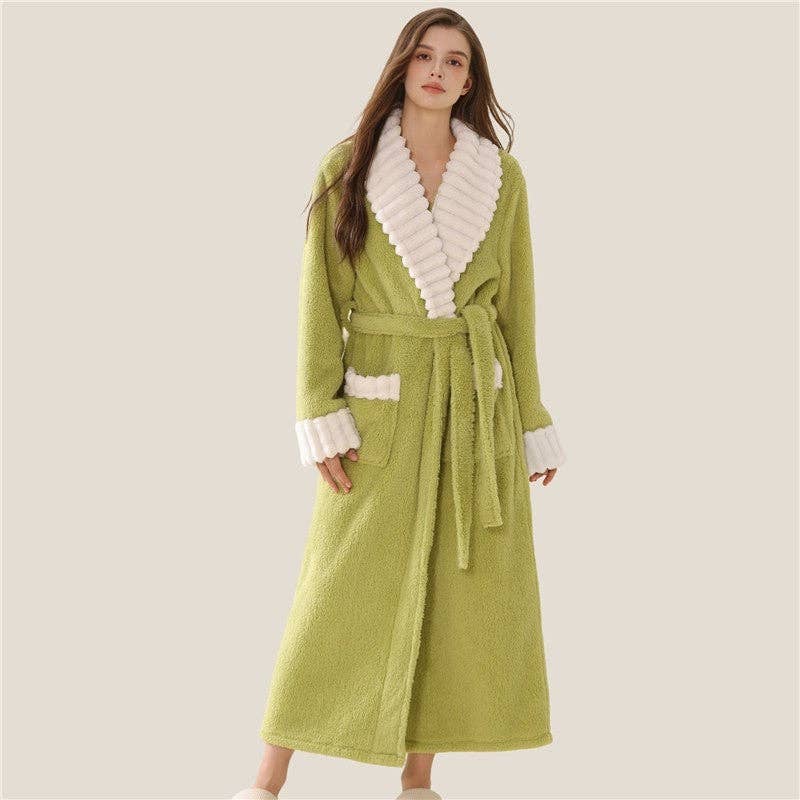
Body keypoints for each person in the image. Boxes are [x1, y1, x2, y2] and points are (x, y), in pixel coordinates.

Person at [232, 8, 566, 800]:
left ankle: (419, 782)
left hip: (472, 406)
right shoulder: (348, 165)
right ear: (401, 66)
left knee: (455, 592)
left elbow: (515, 310)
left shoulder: (502, 178)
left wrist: (529, 419)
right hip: (381, 405)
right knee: (334, 594)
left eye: (455, 61)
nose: (438, 71)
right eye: (425, 56)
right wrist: (320, 410)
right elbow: (320, 299)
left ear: (471, 81)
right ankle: (266, 781)